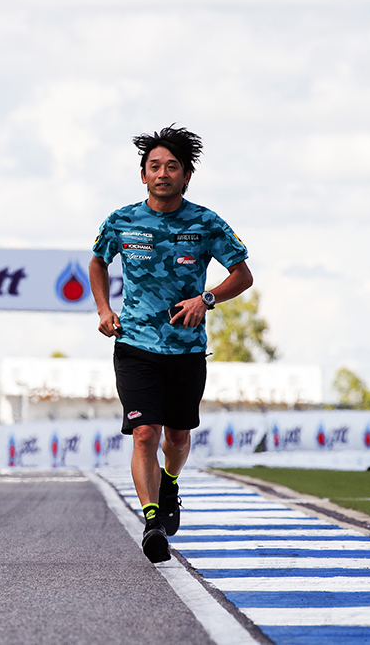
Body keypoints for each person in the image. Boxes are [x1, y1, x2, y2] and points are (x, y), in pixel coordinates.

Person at [89, 125, 252, 563]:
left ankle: (170, 484)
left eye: (172, 167)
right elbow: (98, 262)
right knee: (145, 432)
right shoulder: (121, 220)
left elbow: (242, 275)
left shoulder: (206, 222)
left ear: (186, 176)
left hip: (186, 350)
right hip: (135, 345)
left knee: (177, 437)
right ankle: (152, 521)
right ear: (143, 175)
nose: (163, 173)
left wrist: (206, 299)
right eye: (154, 166)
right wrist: (104, 309)